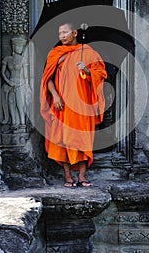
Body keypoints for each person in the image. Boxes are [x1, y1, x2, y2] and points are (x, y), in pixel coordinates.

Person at [40, 22, 107, 187]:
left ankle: (82, 176)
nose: (61, 36)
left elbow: (101, 74)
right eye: (59, 33)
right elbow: (47, 78)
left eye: (65, 32)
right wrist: (55, 96)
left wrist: (87, 71)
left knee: (83, 139)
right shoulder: (56, 53)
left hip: (83, 104)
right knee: (63, 139)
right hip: (62, 103)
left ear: (75, 33)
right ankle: (68, 176)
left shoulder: (89, 53)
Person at [1, 37, 29, 133]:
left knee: (20, 104)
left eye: (21, 46)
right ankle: (13, 124)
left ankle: (22, 124)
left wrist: (26, 84)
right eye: (18, 46)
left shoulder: (23, 59)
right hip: (10, 83)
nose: (20, 48)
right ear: (13, 47)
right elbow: (2, 73)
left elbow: (25, 75)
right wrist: (8, 82)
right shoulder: (7, 59)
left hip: (20, 84)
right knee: (11, 103)